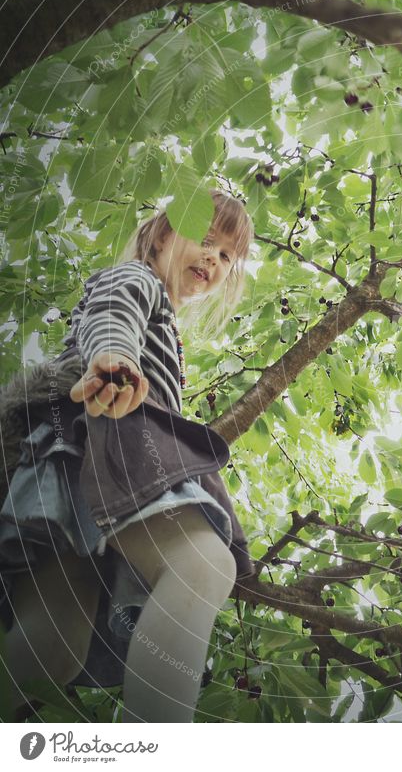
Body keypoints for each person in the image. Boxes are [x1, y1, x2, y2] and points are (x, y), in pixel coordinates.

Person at [0, 189, 255, 723]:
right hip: (113, 433)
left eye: (227, 254)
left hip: (77, 453)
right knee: (203, 565)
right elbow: (111, 313)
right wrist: (114, 359)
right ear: (162, 235)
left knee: (54, 647)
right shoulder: (138, 280)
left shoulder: (168, 324)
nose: (214, 257)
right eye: (205, 238)